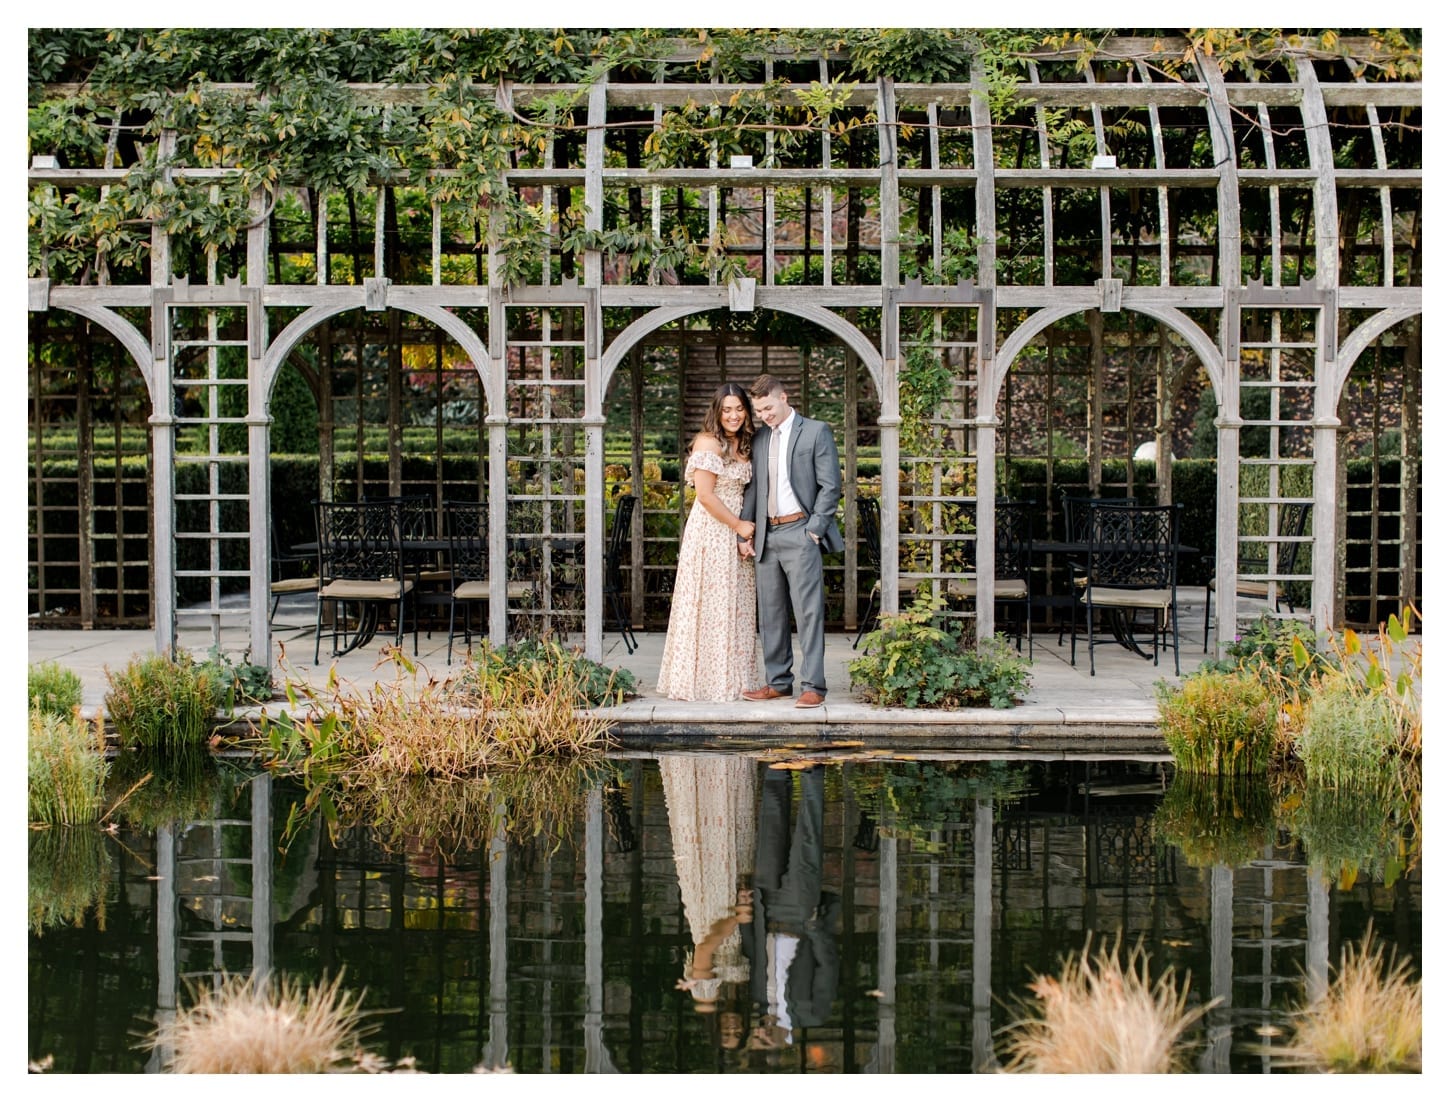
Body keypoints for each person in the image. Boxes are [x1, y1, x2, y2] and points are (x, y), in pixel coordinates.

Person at [738, 374, 844, 709]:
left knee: (808, 612)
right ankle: (778, 682)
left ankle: (813, 685)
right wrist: (747, 531)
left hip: (801, 533)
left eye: (768, 407)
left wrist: (814, 530)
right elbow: (754, 489)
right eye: (759, 411)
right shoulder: (759, 439)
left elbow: (831, 486)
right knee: (771, 614)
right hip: (767, 535)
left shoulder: (816, 431)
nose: (764, 415)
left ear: (784, 397)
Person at [656, 383, 761, 701]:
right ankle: (700, 681)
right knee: (708, 604)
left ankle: (733, 678)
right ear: (716, 411)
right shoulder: (708, 443)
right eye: (727, 409)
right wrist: (740, 526)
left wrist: (743, 533)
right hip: (712, 531)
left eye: (739, 409)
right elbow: (704, 496)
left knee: (736, 605)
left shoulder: (743, 442)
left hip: (735, 533)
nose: (733, 415)